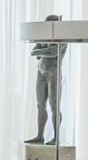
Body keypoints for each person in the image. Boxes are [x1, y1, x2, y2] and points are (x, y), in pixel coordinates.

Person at [28, 14, 67, 145]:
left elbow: (54, 53)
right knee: (40, 105)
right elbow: (33, 52)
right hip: (41, 73)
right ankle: (40, 136)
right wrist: (47, 51)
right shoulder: (43, 37)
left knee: (54, 107)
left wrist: (43, 51)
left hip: (53, 74)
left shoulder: (62, 39)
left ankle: (56, 138)